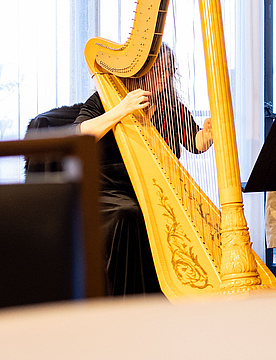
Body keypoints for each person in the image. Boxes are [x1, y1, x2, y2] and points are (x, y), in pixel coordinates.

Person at [75, 44, 213, 296]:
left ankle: (174, 293)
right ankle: (129, 300)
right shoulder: (106, 100)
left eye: (168, 69)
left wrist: (208, 134)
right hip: (111, 189)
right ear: (140, 69)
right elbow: (79, 134)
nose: (164, 74)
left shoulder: (169, 105)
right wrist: (121, 110)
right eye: (158, 68)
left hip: (154, 188)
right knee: (130, 214)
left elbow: (195, 141)